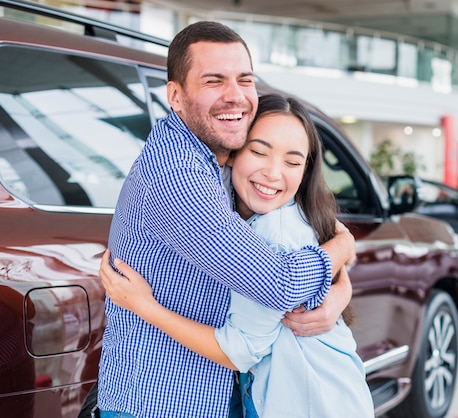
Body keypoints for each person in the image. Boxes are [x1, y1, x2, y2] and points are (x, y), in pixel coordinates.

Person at [97, 22, 355, 418]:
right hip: (164, 403)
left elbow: (304, 227)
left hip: (217, 395)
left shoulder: (220, 153)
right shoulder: (179, 177)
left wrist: (340, 289)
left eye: (244, 80)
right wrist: (343, 247)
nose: (234, 96)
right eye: (214, 81)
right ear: (176, 96)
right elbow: (281, 284)